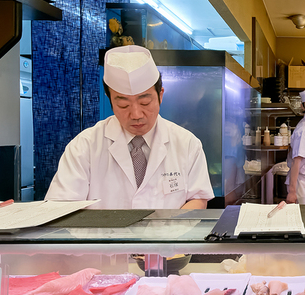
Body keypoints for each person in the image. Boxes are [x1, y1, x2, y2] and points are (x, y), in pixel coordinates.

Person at [46, 46, 214, 209]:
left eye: (145, 102)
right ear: (110, 99)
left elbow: (198, 198)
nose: (136, 114)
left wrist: (167, 232)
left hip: (167, 236)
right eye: (123, 105)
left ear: (160, 95)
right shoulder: (85, 146)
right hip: (103, 238)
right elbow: (61, 206)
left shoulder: (187, 143)